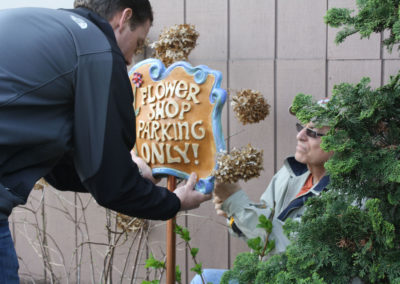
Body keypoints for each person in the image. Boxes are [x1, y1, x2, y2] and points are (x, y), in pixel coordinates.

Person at [0, 1, 210, 282]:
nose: (130, 61)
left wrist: (129, 169)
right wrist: (172, 202)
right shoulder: (96, 49)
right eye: (137, 44)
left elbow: (59, 169)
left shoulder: (43, 28)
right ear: (124, 18)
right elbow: (109, 180)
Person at [191, 100, 333, 284]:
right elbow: (263, 222)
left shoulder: (348, 195)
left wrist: (235, 201)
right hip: (267, 274)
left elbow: (291, 246)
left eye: (313, 132)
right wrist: (234, 217)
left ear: (342, 142)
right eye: (301, 127)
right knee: (203, 280)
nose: (300, 135)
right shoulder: (290, 174)